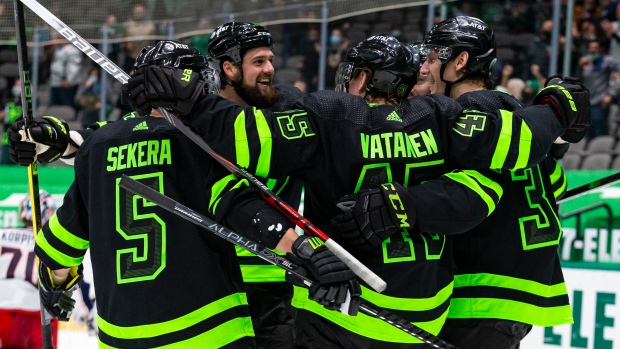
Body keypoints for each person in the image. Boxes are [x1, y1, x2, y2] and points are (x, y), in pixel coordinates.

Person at [123, 35, 589, 348]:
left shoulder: (329, 116)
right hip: (422, 315)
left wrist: (190, 102)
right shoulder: (446, 118)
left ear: (363, 78)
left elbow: (247, 139)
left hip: (339, 312)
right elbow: (519, 143)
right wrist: (555, 107)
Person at [20, 41, 360, 349]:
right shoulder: (201, 143)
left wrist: (57, 286)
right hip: (207, 330)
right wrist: (306, 250)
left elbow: (60, 242)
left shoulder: (98, 147)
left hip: (121, 336)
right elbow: (241, 207)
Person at [417, 16, 573, 348]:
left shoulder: (468, 112)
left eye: (432, 58)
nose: (424, 69)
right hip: (518, 291)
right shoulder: (515, 114)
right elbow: (555, 183)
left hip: (481, 288)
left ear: (459, 62)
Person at [205, 22, 306, 349]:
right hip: (214, 281)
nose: (270, 69)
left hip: (273, 280)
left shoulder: (288, 109)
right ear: (230, 68)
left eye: (270, 60)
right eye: (259, 61)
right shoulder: (200, 120)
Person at [0, 191, 59, 348]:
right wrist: (84, 316)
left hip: (2, 310)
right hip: (36, 314)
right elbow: (67, 283)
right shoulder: (52, 245)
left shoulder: (2, 233)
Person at [1, 80, 24, 164]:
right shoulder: (8, 101)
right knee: (5, 162)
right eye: (16, 85)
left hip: (21, 137)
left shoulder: (26, 104)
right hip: (7, 137)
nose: (17, 88)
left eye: (20, 86)